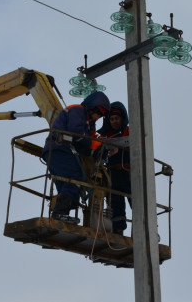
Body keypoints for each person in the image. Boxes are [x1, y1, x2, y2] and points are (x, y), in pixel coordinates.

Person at [42, 91, 110, 224]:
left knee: (65, 184)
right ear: (91, 107)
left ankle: (60, 215)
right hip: (59, 149)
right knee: (74, 178)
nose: (98, 116)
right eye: (98, 112)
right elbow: (76, 134)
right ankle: (59, 213)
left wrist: (96, 151)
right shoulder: (78, 111)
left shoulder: (88, 122)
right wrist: (93, 144)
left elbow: (82, 145)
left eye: (101, 114)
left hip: (56, 151)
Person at [97, 101, 131, 234]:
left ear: (122, 118)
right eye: (112, 119)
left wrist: (121, 149)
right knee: (115, 202)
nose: (114, 121)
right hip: (113, 174)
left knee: (137, 202)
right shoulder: (106, 135)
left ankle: (146, 227)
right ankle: (117, 229)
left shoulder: (129, 131)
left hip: (128, 173)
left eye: (117, 118)